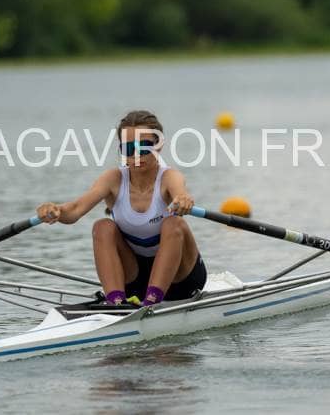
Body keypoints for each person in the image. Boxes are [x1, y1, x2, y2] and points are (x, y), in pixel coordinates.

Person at [36, 110, 206, 306]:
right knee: (102, 226)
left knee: (174, 223)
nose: (136, 155)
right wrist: (56, 210)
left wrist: (183, 200)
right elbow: (74, 210)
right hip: (135, 279)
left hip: (181, 279)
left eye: (144, 147)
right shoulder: (113, 179)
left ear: (158, 145)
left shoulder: (169, 177)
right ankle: (116, 302)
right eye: (129, 148)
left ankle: (151, 301)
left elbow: (180, 193)